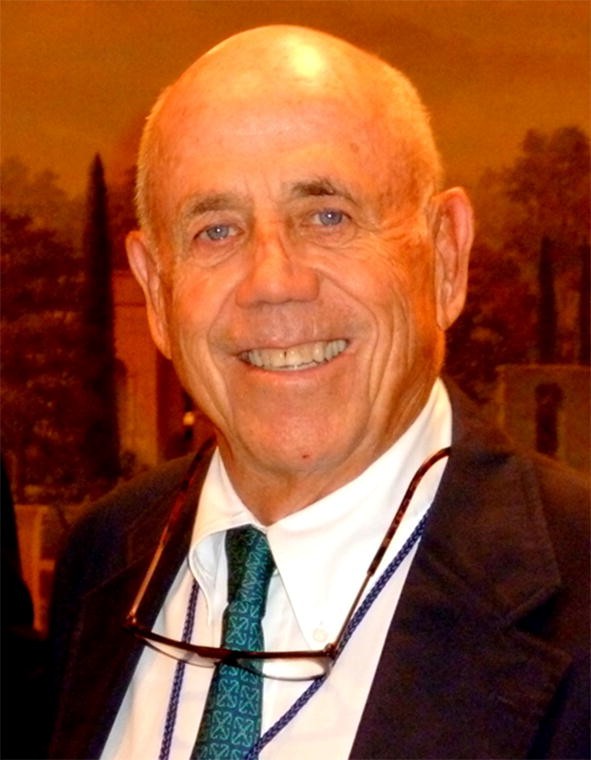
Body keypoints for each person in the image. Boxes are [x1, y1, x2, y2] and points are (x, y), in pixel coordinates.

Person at [48, 25, 589, 760]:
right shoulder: (105, 559)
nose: (274, 282)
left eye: (328, 216)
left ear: (445, 256)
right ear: (155, 289)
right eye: (216, 230)